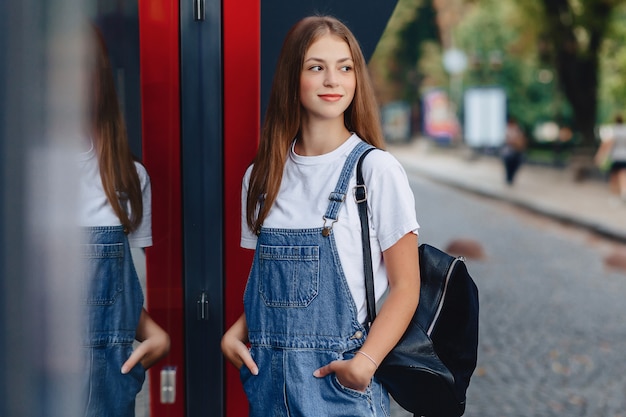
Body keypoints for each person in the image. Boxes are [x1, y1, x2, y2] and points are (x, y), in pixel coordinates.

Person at [221, 15, 420, 416]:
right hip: (269, 388)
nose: (333, 80)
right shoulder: (260, 178)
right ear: (292, 78)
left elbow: (406, 287)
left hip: (340, 387)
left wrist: (364, 364)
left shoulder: (376, 171)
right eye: (317, 67)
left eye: (344, 68)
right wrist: (236, 335)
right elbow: (277, 291)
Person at [80, 26, 170, 417]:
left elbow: (115, 297)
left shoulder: (128, 178)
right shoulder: (19, 170)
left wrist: (154, 336)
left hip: (105, 391)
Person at [595, 115, 626, 202]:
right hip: (624, 157)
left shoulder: (614, 130)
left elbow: (607, 143)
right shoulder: (625, 130)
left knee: (614, 177)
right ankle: (624, 192)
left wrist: (600, 156)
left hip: (616, 157)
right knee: (623, 175)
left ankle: (615, 196)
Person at [501, 115, 527, 185]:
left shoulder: (518, 130)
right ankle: (509, 178)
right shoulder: (507, 130)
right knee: (509, 165)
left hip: (517, 152)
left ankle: (510, 178)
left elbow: (522, 140)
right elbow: (506, 140)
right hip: (509, 152)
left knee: (516, 165)